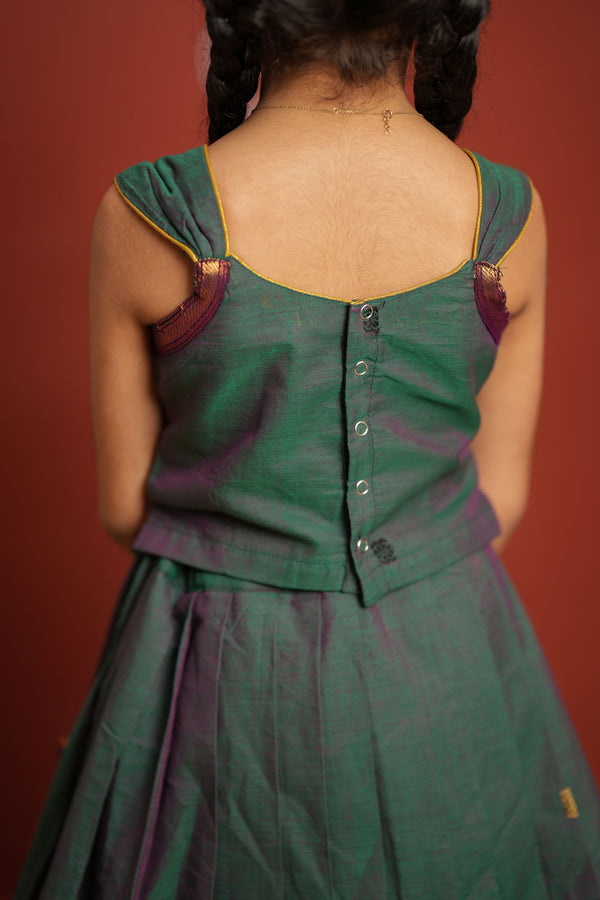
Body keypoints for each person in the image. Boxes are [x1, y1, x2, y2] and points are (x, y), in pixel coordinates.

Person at [15, 0, 600, 897]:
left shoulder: (150, 215)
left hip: (215, 675)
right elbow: (504, 493)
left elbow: (126, 506)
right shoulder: (508, 216)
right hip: (449, 670)